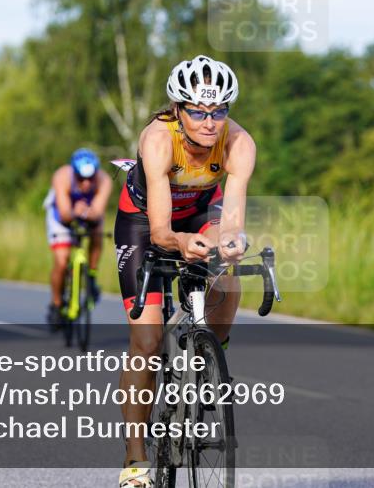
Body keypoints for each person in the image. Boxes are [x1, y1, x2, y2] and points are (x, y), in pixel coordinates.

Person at [114, 55, 256, 487]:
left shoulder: (239, 144)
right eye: (198, 111)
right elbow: (160, 231)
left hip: (199, 212)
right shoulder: (158, 140)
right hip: (144, 222)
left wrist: (230, 242)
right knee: (147, 340)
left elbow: (231, 220)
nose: (209, 122)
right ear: (178, 108)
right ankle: (136, 458)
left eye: (219, 111)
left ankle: (212, 355)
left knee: (228, 276)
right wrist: (181, 243)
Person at [43, 148, 112, 328]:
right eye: (81, 178)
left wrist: (89, 214)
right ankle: (56, 304)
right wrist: (76, 212)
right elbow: (65, 213)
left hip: (87, 214)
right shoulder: (62, 177)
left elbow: (98, 212)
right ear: (74, 172)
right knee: (62, 260)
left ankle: (91, 277)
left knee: (98, 231)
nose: (87, 183)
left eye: (91, 178)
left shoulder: (104, 180)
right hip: (60, 216)